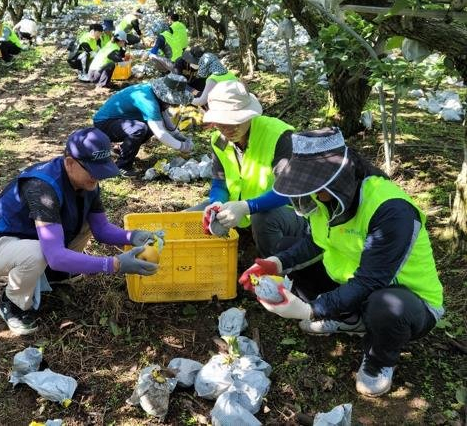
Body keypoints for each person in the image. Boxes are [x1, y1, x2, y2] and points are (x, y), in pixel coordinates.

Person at [240, 127, 444, 397]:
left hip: (408, 301)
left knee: (385, 305)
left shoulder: (391, 210)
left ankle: (378, 361)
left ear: (338, 180)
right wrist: (275, 263)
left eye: (315, 188)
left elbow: (372, 280)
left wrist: (311, 309)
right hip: (354, 284)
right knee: (286, 247)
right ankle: (349, 317)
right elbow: (315, 242)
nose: (310, 195)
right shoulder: (328, 199)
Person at [0, 128, 161, 335]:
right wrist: (115, 264)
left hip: (28, 238)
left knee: (83, 221)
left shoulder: (87, 184)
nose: (98, 176)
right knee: (38, 253)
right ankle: (12, 303)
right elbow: (56, 256)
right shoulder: (42, 188)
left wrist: (131, 236)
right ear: (69, 163)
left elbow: (101, 229)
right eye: (93, 170)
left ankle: (53, 275)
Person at [200, 80, 307, 257]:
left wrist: (247, 207)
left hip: (286, 213)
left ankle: (274, 271)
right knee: (193, 216)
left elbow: (288, 192)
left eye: (235, 121)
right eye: (221, 122)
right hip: (242, 209)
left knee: (263, 218)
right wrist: (216, 202)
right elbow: (219, 182)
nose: (228, 128)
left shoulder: (279, 135)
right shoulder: (218, 140)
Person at [93, 74, 194, 177]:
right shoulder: (149, 101)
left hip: (118, 120)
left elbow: (164, 120)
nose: (172, 104)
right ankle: (122, 166)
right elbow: (160, 133)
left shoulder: (153, 93)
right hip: (105, 123)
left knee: (148, 126)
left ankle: (124, 149)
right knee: (139, 129)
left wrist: (178, 135)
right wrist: (182, 146)